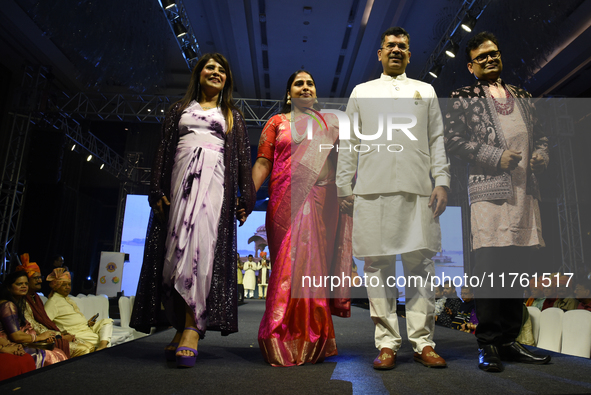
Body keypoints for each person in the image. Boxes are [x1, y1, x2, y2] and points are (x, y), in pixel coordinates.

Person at [130, 53, 255, 368]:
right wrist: (156, 189)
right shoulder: (178, 110)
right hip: (179, 183)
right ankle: (179, 324)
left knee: (200, 250)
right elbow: (164, 149)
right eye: (209, 67)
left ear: (226, 79)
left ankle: (192, 327)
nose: (215, 72)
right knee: (173, 255)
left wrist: (246, 197)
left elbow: (241, 158)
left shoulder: (232, 115)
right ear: (198, 74)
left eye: (221, 69)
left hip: (213, 186)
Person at [336, 27, 450, 370]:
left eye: (403, 46)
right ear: (380, 53)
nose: (397, 50)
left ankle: (423, 342)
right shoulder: (362, 91)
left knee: (420, 267)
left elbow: (437, 140)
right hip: (371, 190)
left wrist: (442, 180)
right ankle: (386, 343)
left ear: (410, 54)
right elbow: (349, 143)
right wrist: (344, 187)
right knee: (376, 268)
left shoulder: (425, 90)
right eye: (391, 46)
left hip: (419, 189)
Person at [444, 31, 551, 372]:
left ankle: (509, 340)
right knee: (490, 270)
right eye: (482, 57)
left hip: (524, 193)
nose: (490, 59)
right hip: (488, 193)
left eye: (494, 53)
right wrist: (495, 156)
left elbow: (542, 135)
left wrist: (540, 155)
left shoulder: (523, 94)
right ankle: (488, 344)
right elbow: (453, 141)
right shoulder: (462, 96)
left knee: (518, 269)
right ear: (471, 66)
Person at [253, 69, 352, 366]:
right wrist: (246, 194)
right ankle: (278, 334)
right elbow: (262, 162)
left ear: (316, 92)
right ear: (289, 93)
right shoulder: (276, 123)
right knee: (285, 267)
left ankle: (314, 335)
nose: (305, 87)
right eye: (299, 83)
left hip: (322, 204)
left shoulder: (331, 123)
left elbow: (349, 160)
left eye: (310, 83)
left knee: (313, 269)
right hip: (284, 203)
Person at [17, 253, 93, 357]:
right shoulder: (21, 301)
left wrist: (61, 333)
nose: (40, 281)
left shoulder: (35, 297)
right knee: (85, 349)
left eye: (40, 277)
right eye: (35, 278)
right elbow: (33, 326)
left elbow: (45, 322)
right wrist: (59, 336)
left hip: (49, 334)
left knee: (89, 345)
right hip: (36, 338)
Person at [0, 271, 66, 368]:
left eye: (26, 284)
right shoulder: (8, 305)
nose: (24, 286)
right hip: (8, 343)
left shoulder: (20, 302)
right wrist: (39, 338)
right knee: (54, 355)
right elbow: (16, 336)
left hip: (20, 341)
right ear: (9, 287)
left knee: (57, 351)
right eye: (19, 284)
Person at [44, 268, 113, 352]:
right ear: (56, 286)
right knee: (102, 339)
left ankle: (102, 346)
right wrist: (60, 334)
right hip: (75, 332)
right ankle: (103, 346)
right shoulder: (53, 302)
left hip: (86, 327)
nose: (67, 287)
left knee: (107, 322)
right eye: (64, 285)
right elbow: (45, 323)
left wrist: (88, 323)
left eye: (69, 285)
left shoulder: (68, 299)